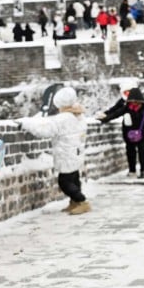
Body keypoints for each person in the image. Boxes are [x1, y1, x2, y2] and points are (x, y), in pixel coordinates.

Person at [21, 87, 90, 215]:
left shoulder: (62, 118)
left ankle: (82, 201)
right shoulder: (79, 116)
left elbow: (44, 131)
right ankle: (74, 202)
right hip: (76, 151)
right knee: (74, 178)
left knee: (64, 181)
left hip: (65, 153)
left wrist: (26, 124)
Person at [96, 86, 144, 179]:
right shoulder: (127, 107)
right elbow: (116, 114)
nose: (133, 103)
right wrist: (105, 119)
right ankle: (132, 170)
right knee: (130, 152)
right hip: (132, 134)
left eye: (135, 101)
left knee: (143, 151)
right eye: (131, 101)